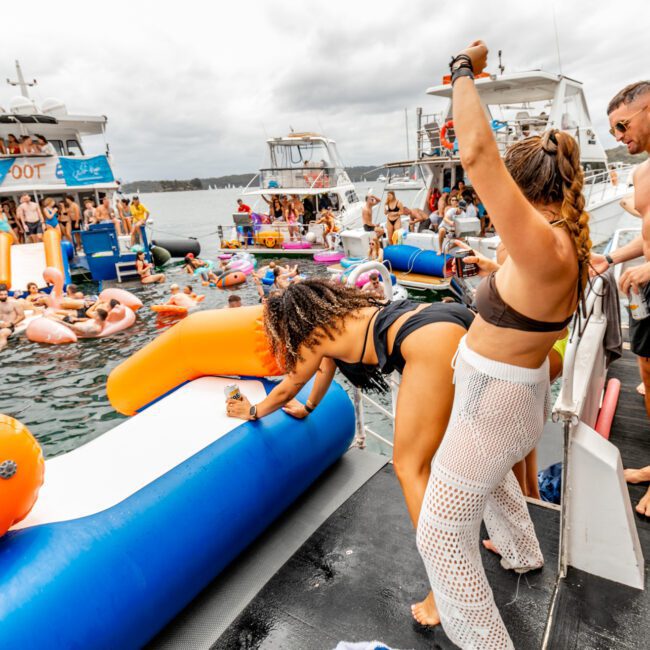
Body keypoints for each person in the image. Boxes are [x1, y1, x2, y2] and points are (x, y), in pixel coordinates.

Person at [414, 41, 590, 646]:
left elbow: (477, 153)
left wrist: (464, 70)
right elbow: (523, 291)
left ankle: (484, 640)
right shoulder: (556, 243)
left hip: (499, 404)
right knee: (491, 481)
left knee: (437, 531)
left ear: (526, 186)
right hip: (505, 396)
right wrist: (488, 261)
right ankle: (520, 553)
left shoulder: (546, 244)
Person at [225, 279, 474, 607]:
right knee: (468, 444)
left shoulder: (311, 337)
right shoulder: (343, 314)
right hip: (452, 319)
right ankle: (510, 545)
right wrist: (309, 408)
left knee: (409, 467)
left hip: (426, 340)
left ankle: (448, 591)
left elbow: (288, 386)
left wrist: (253, 410)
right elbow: (325, 370)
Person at [589, 80, 650, 517]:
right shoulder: (642, 173)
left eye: (622, 125)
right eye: (612, 130)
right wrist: (609, 257)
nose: (618, 136)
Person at [0, 284, 24, 352]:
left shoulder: (14, 303)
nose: (4, 296)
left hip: (9, 326)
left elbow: (22, 316)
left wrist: (12, 323)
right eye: (1, 294)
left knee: (2, 334)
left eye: (5, 294)